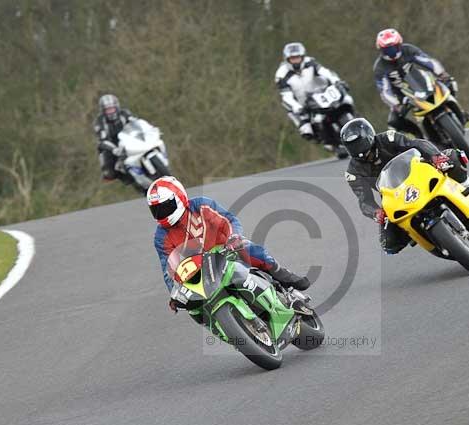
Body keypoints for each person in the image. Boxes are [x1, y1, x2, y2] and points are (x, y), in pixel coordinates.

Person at [148, 177, 310, 311]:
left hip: (226, 249)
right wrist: (174, 294)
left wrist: (233, 236)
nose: (161, 213)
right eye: (156, 210)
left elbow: (228, 220)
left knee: (249, 249)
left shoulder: (201, 205)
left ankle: (282, 275)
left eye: (165, 207)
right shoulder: (161, 236)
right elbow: (168, 268)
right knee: (194, 308)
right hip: (199, 269)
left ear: (179, 197)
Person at [340, 118, 469, 254]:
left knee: (452, 157)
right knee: (389, 244)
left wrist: (435, 157)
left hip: (420, 172)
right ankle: (420, 234)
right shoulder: (352, 172)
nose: (356, 148)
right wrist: (376, 212)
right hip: (394, 194)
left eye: (358, 142)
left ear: (368, 135)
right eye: (351, 145)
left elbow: (417, 143)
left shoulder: (388, 138)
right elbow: (364, 201)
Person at [373, 28, 469, 139]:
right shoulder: (379, 67)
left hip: (420, 82)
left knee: (451, 83)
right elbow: (384, 91)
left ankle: (461, 113)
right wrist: (396, 104)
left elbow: (427, 61)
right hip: (401, 96)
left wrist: (442, 74)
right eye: (387, 50)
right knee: (394, 121)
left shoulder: (408, 50)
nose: (392, 52)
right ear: (381, 50)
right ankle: (419, 136)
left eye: (393, 48)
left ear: (399, 44)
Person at [275, 42, 347, 149]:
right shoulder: (281, 75)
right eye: (293, 58)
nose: (296, 61)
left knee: (346, 100)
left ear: (302, 56)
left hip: (321, 95)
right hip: (302, 104)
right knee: (307, 131)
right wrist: (297, 107)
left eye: (298, 57)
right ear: (287, 59)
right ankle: (328, 142)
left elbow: (325, 72)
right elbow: (286, 96)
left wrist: (337, 81)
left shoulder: (311, 63)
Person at [93, 94, 136, 182]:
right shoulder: (99, 121)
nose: (111, 112)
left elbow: (136, 123)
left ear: (117, 107)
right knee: (109, 173)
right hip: (112, 145)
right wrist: (114, 149)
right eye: (108, 110)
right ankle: (122, 176)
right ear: (103, 111)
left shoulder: (125, 113)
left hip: (129, 140)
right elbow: (102, 139)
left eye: (112, 109)